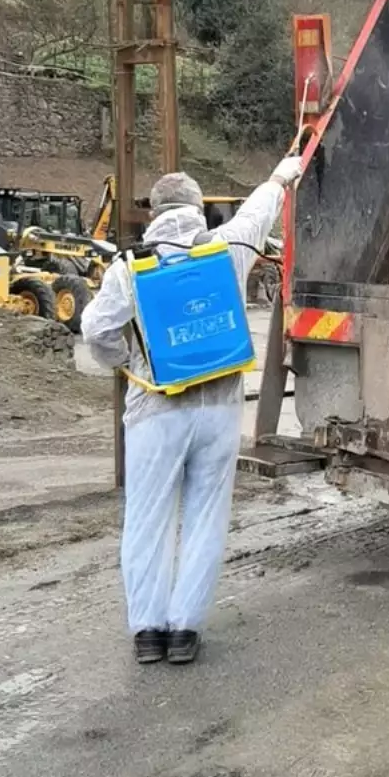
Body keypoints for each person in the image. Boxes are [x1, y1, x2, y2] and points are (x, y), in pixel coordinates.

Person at [81, 159, 302, 666]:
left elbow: (96, 331)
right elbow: (257, 211)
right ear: (198, 210)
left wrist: (129, 363)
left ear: (154, 213)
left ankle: (147, 631)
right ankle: (184, 631)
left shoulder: (129, 266)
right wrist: (280, 177)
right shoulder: (226, 249)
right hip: (220, 410)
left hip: (156, 410)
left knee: (147, 519)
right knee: (205, 517)